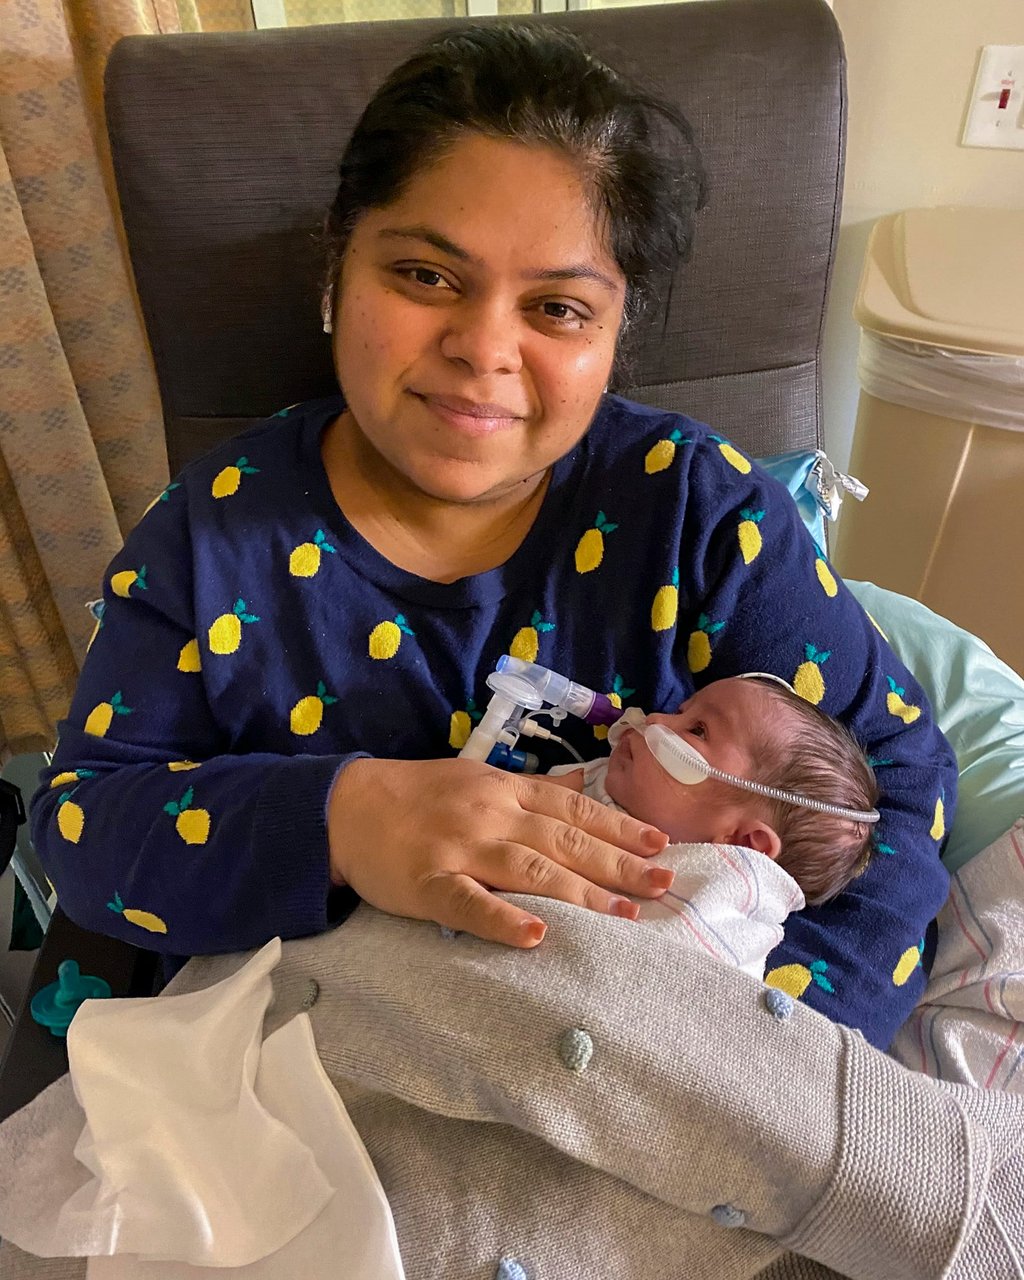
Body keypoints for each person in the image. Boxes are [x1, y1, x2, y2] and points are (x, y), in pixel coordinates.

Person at [30, 21, 956, 1050]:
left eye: (557, 307)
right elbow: (84, 827)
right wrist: (345, 817)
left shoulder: (697, 515)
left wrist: (748, 1054)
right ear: (339, 262)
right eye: (426, 276)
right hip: (306, 1085)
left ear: (616, 337)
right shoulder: (210, 543)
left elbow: (894, 793)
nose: (482, 350)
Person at [543, 673, 878, 977]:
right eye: (680, 711)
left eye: (697, 729)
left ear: (745, 843)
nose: (655, 719)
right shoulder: (596, 781)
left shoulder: (716, 915)